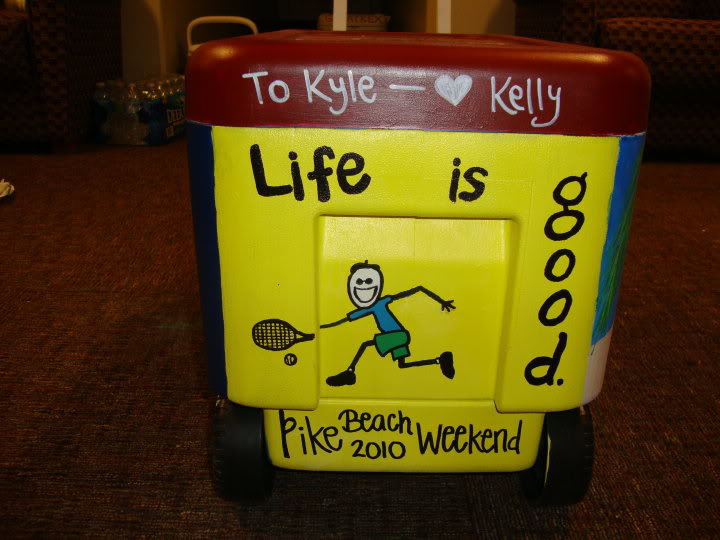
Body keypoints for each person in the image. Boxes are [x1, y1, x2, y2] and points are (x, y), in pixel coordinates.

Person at [321, 261, 456, 386]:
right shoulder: (369, 307)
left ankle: (349, 372)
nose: (364, 286)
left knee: (365, 344)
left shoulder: (382, 301)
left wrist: (441, 301)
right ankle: (440, 360)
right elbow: (344, 320)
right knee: (402, 365)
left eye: (369, 281)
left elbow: (418, 289)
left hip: (398, 336)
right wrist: (321, 326)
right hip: (399, 336)